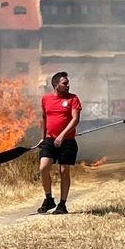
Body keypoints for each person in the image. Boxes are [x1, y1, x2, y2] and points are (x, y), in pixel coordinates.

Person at [37, 71, 82, 214]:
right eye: (65, 83)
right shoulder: (45, 99)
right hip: (50, 139)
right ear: (56, 85)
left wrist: (62, 135)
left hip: (67, 141)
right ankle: (49, 199)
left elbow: (75, 119)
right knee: (43, 168)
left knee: (64, 171)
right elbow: (44, 119)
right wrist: (42, 137)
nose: (68, 85)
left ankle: (62, 204)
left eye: (68, 83)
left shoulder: (73, 99)